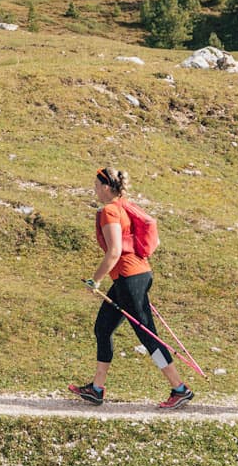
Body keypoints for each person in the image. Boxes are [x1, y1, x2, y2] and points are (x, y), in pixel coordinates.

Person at [68, 167, 195, 410]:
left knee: (148, 335)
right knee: (103, 328)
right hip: (134, 275)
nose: (94, 190)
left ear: (106, 188)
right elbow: (153, 241)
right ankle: (96, 388)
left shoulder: (109, 212)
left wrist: (95, 281)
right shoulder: (126, 206)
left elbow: (114, 251)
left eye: (96, 186)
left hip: (129, 278)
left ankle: (180, 389)